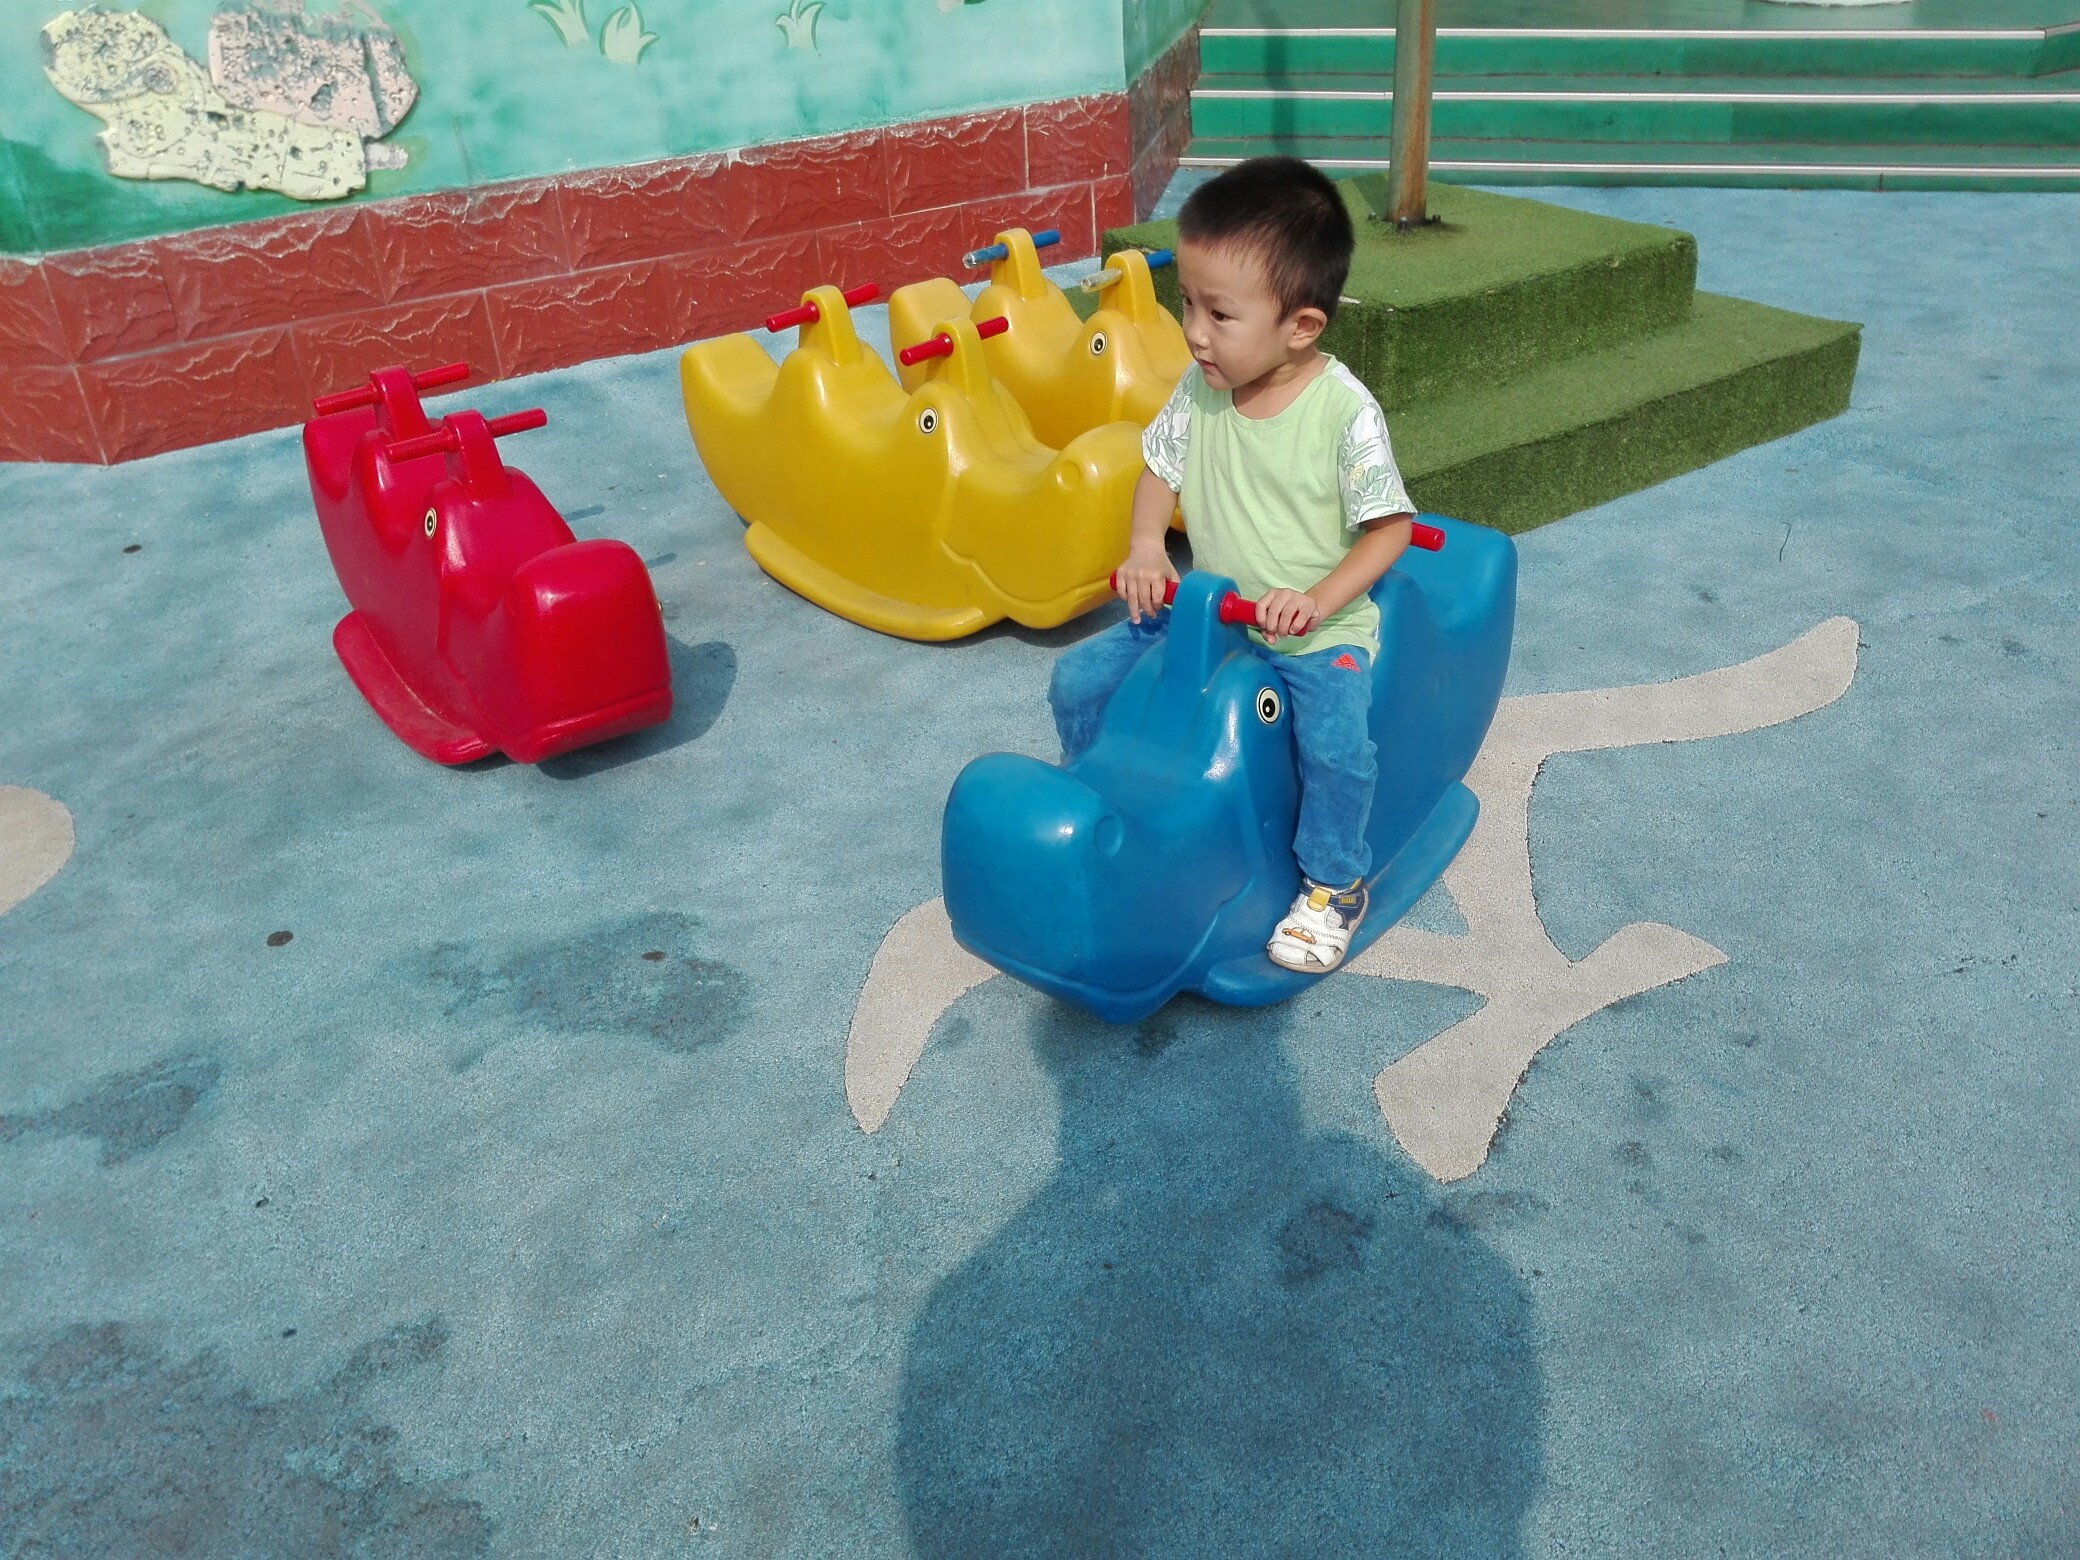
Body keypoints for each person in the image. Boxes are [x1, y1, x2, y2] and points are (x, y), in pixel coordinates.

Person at [1048, 156, 1416, 974]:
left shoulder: (1344, 412)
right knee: (1079, 679)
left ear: (1301, 326)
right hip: (1210, 615)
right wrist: (1147, 547)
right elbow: (1158, 472)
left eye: (1219, 313)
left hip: (1313, 631)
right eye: (1187, 303)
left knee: (1336, 748)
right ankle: (1101, 795)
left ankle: (1334, 881)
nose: (1195, 331)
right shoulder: (1200, 386)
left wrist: (1316, 600)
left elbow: (1390, 530)